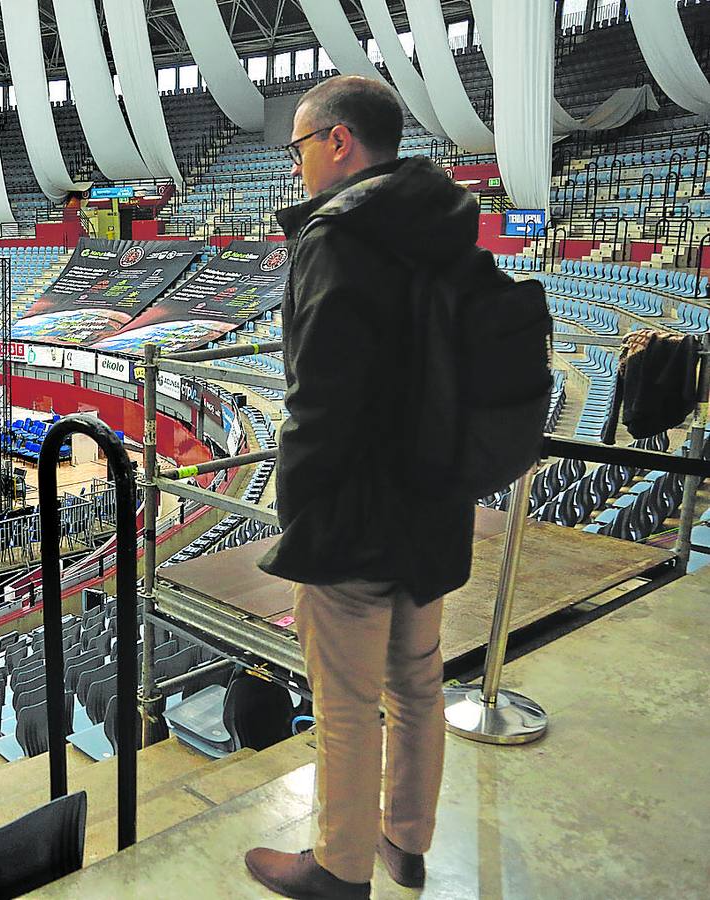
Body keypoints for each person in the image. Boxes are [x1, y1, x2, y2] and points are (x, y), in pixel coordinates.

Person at [242, 75, 479, 900]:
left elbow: (320, 398)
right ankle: (405, 846)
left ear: (339, 141)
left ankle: (340, 871)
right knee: (418, 685)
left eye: (301, 147)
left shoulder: (336, 236)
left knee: (344, 701)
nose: (299, 165)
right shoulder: (448, 222)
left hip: (356, 512)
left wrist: (300, 514)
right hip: (437, 501)